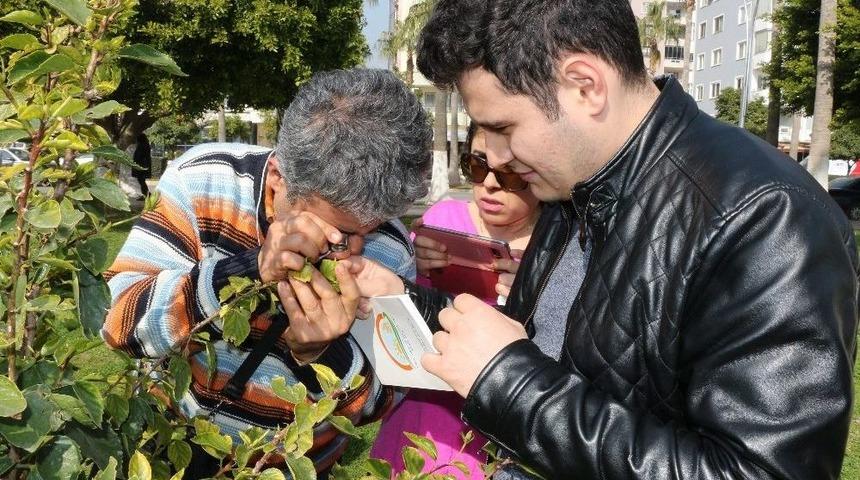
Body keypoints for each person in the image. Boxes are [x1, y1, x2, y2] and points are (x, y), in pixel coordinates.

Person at [349, 1, 860, 478]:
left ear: (585, 85)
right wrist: (396, 295)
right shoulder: (572, 185)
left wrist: (509, 384)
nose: (497, 160)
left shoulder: (767, 217)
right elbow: (540, 344)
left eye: (503, 127)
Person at [101, 69, 431, 477]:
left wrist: (322, 354)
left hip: (295, 465)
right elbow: (119, 321)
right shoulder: (203, 181)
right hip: (170, 443)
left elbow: (381, 402)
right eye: (336, 233)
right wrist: (245, 269)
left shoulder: (390, 249)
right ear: (278, 177)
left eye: (369, 231)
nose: (351, 251)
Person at [369, 123, 545, 478]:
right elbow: (393, 327)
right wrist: (412, 269)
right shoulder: (441, 220)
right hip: (423, 420)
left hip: (502, 433)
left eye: (510, 176)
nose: (490, 184)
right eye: (478, 167)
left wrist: (534, 298)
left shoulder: (556, 249)